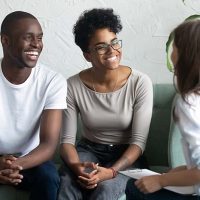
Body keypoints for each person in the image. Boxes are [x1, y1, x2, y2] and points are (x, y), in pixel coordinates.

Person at [58, 8, 153, 200]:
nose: (112, 51)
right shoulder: (72, 85)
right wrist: (77, 168)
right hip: (88, 150)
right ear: (87, 55)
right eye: (101, 46)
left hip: (127, 155)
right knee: (68, 182)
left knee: (105, 190)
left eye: (114, 42)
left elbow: (138, 143)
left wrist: (111, 171)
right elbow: (67, 141)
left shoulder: (140, 82)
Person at [125, 19, 200, 200]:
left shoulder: (190, 103)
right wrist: (177, 173)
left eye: (175, 46)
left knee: (134, 189)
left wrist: (162, 181)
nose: (171, 51)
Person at [0, 11, 67, 200]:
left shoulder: (52, 81)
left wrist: (15, 165)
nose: (36, 44)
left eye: (39, 38)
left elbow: (49, 144)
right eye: (28, 38)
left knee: (48, 178)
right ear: (5, 40)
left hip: (30, 159)